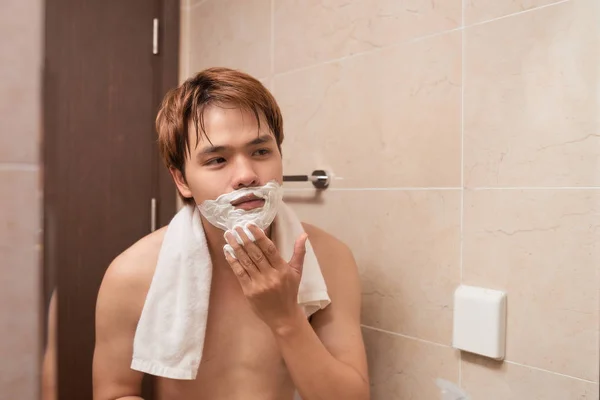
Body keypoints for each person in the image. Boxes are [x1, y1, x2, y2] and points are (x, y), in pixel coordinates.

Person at [92, 67, 370, 400]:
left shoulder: (329, 259)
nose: (246, 175)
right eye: (217, 159)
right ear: (181, 179)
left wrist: (286, 318)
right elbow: (115, 392)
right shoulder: (132, 274)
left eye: (261, 152)